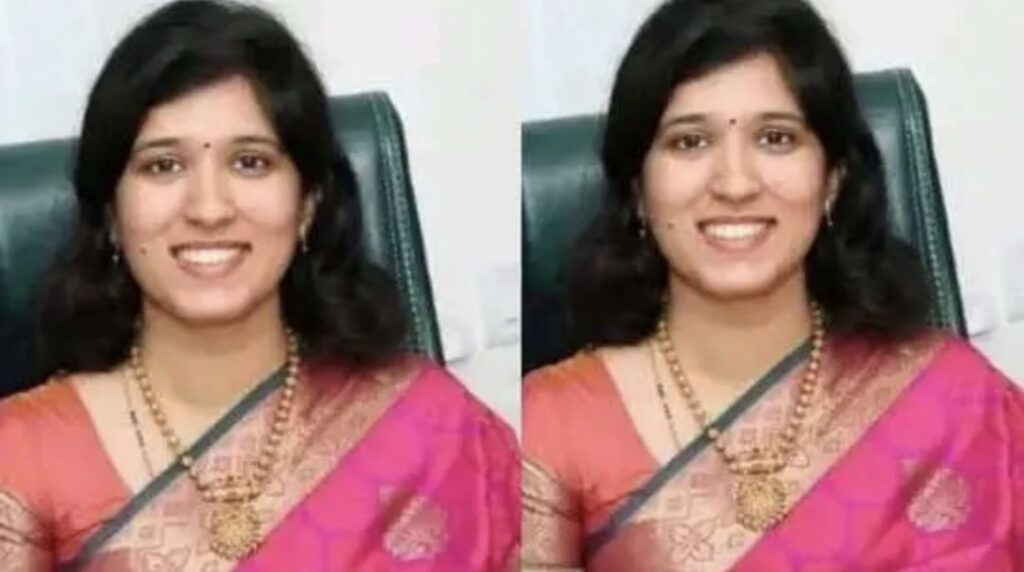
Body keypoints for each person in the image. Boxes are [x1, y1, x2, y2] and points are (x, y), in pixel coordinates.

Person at [0, 1, 519, 569]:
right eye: (163, 166)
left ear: (307, 205)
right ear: (110, 215)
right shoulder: (21, 462)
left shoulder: (436, 429)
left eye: (250, 162)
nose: (209, 209)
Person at [522, 0, 1023, 569]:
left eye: (776, 138)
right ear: (638, 189)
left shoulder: (956, 399)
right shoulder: (551, 429)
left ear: (832, 180)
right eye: (690, 142)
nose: (735, 184)